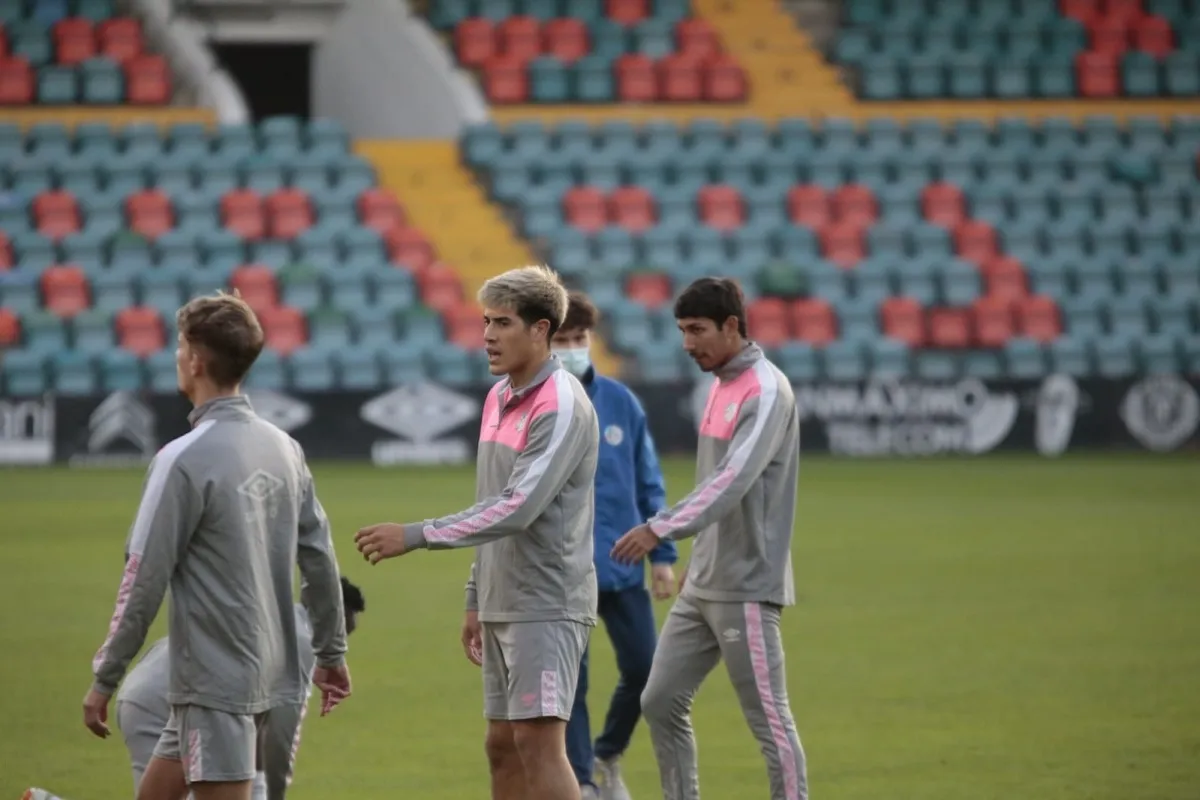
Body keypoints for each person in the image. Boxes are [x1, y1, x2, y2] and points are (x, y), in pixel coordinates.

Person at [83, 291, 352, 800]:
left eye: (179, 346)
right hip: (270, 677)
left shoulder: (181, 460)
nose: (176, 358)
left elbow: (142, 579)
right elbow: (319, 559)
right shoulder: (284, 447)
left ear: (195, 359)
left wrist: (105, 676)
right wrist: (332, 652)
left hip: (217, 686)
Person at [354, 265, 600, 800]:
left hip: (547, 601)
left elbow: (517, 508)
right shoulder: (499, 397)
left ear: (541, 330)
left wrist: (416, 534)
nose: (487, 335)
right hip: (501, 598)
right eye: (485, 321)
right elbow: (491, 501)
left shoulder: (560, 404)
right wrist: (476, 594)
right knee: (502, 746)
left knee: (539, 745)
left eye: (502, 322)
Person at [611, 277, 807, 800]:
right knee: (658, 701)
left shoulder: (766, 390)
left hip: (745, 585)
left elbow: (731, 481)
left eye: (697, 330)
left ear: (732, 327)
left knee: (770, 722)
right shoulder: (721, 383)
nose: (687, 343)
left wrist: (660, 527)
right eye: (681, 331)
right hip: (703, 582)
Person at [23, 579, 367, 800]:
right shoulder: (305, 643)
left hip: (149, 689)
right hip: (168, 702)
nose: (340, 647)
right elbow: (280, 740)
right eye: (343, 633)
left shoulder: (271, 613)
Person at [550, 291, 678, 800]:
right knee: (572, 687)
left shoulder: (623, 402)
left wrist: (664, 555)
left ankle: (607, 754)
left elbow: (649, 480)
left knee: (650, 673)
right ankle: (581, 782)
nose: (573, 347)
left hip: (624, 566)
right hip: (562, 572)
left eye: (579, 339)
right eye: (562, 339)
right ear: (546, 342)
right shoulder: (534, 405)